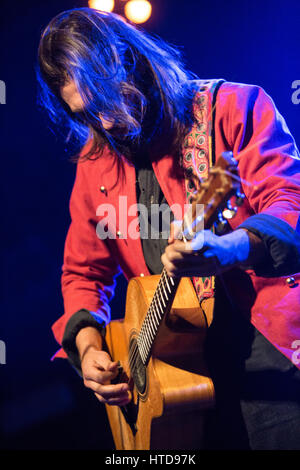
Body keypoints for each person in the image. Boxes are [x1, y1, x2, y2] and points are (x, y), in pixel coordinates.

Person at [37, 8, 300, 449]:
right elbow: (83, 273)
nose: (102, 123)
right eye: (84, 114)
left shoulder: (233, 106)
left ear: (130, 60)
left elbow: (290, 207)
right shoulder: (95, 165)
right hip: (176, 391)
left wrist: (232, 249)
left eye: (104, 101)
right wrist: (87, 348)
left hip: (268, 362)